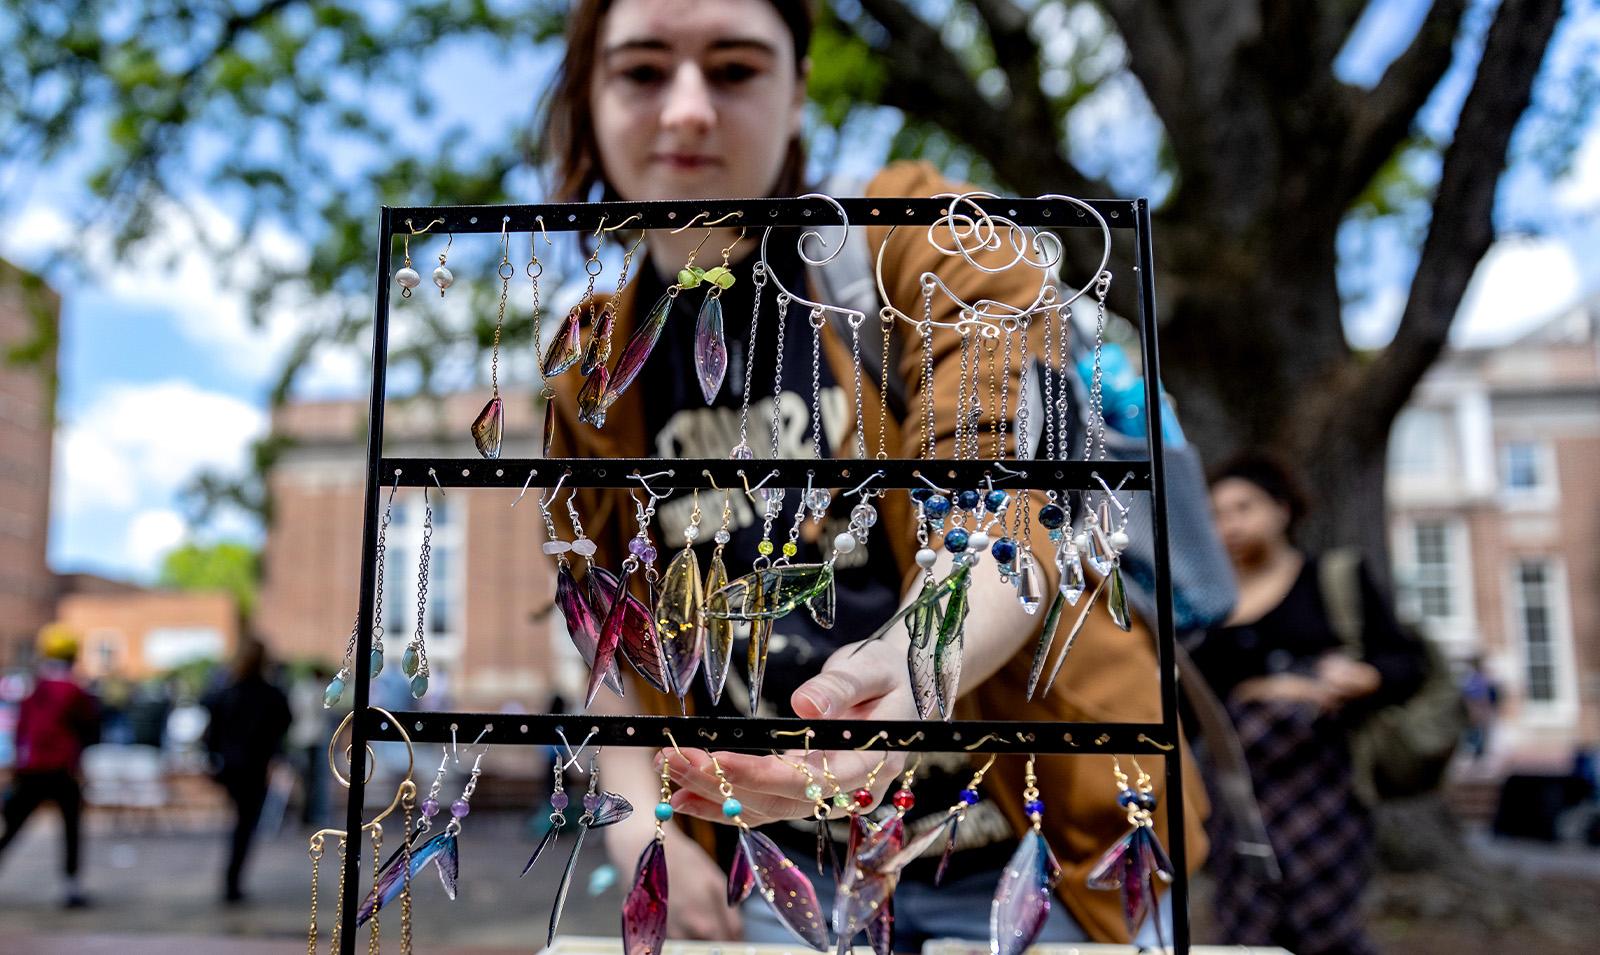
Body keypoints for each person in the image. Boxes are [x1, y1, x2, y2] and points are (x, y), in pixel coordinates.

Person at [539, 1, 1209, 947]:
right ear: (589, 96)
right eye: (643, 71)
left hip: (1042, 857)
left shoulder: (913, 240)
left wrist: (911, 668)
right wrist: (642, 829)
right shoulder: (588, 373)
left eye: (734, 69)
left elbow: (1006, 498)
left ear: (798, 90)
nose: (686, 110)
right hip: (778, 877)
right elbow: (603, 630)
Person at [1191, 454, 1427, 955]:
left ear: (1281, 509)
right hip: (1238, 797)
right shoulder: (1205, 603)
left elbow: (1406, 664)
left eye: (1243, 507)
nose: (1230, 524)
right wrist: (1261, 693)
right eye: (1217, 513)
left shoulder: (1332, 578)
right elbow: (1192, 703)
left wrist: (1359, 679)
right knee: (1245, 929)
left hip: (1325, 791)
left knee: (1325, 927)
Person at [0, 625, 100, 908]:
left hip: (31, 769)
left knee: (13, 826)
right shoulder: (75, 690)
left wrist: (17, 765)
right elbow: (88, 728)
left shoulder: (35, 688)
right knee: (71, 827)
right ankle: (72, 886)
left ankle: (71, 885)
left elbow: (22, 731)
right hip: (60, 770)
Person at [202, 637, 292, 903]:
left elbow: (211, 731)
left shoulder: (226, 692)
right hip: (254, 767)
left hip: (231, 766)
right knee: (244, 824)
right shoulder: (270, 694)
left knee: (241, 822)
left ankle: (232, 878)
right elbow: (282, 726)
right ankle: (232, 880)